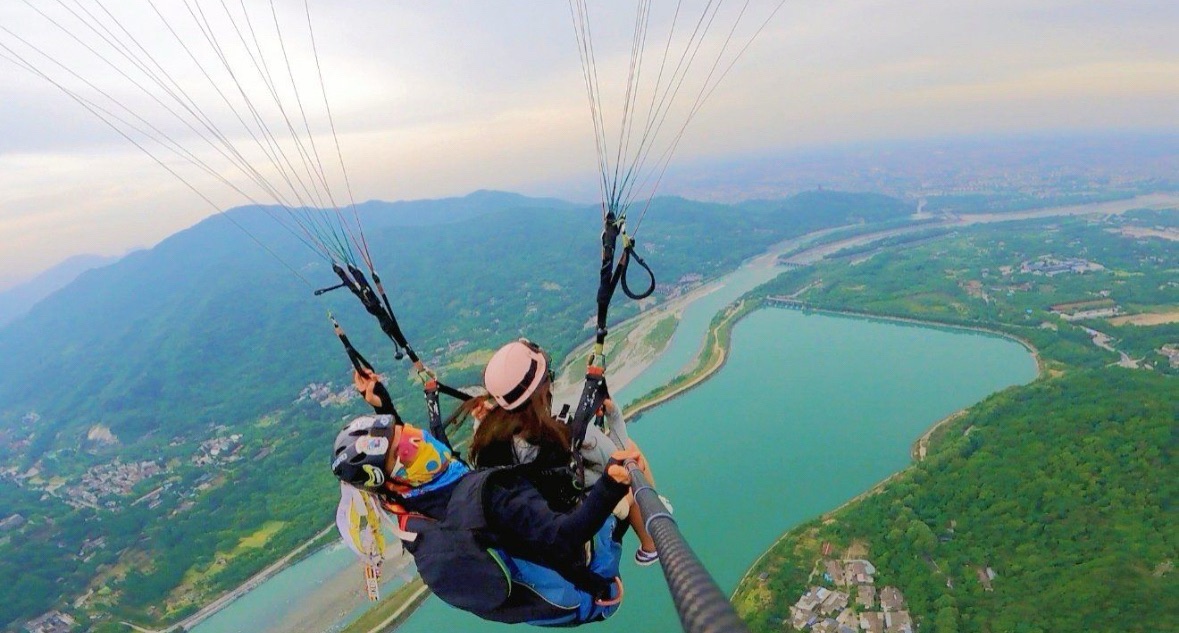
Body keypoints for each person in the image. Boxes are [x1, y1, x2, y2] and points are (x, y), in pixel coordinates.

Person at [334, 369, 645, 626]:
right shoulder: (492, 498)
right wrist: (610, 484)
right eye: (404, 449)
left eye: (404, 431)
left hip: (548, 600)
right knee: (628, 486)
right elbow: (565, 536)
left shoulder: (408, 512)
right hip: (592, 586)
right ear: (395, 475)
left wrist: (383, 405)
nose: (416, 440)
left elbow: (412, 469)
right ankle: (651, 546)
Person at [456, 338, 660, 566]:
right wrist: (614, 417)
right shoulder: (564, 433)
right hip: (582, 526)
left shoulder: (490, 442)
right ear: (543, 387)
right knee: (631, 456)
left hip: (541, 523)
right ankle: (652, 538)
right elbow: (616, 460)